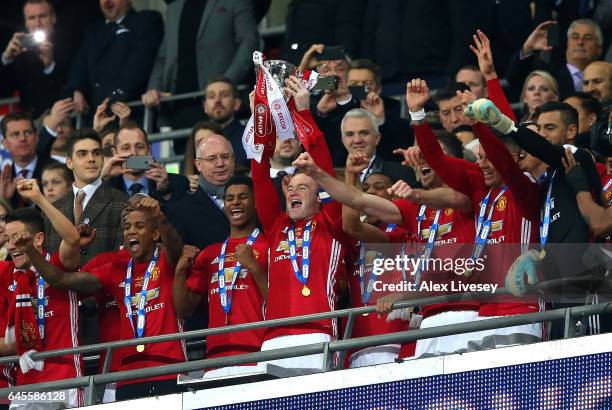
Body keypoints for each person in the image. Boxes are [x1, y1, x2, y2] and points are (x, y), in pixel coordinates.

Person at [13, 198, 187, 401]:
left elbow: (176, 247)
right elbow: (61, 280)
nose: (131, 231)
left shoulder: (169, 259)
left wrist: (161, 218)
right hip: (128, 375)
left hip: (170, 366)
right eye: (127, 227)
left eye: (139, 226)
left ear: (155, 234)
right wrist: (31, 252)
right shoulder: (115, 270)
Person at [251, 75, 349, 370]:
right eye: (291, 188)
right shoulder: (276, 225)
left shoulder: (330, 221)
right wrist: (262, 118)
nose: (293, 191)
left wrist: (304, 111)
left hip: (318, 334)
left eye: (303, 187)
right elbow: (258, 173)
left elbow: (327, 172)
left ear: (319, 197)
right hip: (272, 339)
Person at [173, 175, 268, 377]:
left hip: (258, 354)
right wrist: (180, 272)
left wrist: (253, 267)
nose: (235, 202)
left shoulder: (269, 246)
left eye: (243, 197)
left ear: (255, 202)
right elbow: (184, 309)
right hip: (215, 359)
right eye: (230, 198)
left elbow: (280, 304)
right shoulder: (209, 254)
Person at [1, 178, 85, 407]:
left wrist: (38, 198)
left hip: (64, 380)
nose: (11, 246)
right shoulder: (9, 274)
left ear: (37, 239)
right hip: (24, 385)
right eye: (7, 239)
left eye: (16, 238)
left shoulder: (59, 265)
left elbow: (73, 238)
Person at [143, 0, 259, 131]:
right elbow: (163, 57)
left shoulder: (235, 2)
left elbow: (249, 44)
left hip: (219, 106)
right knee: (185, 150)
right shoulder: (173, 8)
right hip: (179, 107)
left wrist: (225, 84)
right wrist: (154, 89)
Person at [44, 129, 127, 267]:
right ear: (69, 162)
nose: (91, 159)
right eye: (82, 154)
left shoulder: (122, 203)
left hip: (104, 286)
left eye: (96, 153)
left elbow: (121, 261)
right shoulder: (53, 211)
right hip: (62, 287)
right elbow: (50, 262)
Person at [65, 0, 163, 112]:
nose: (107, 1)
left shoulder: (146, 20)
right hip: (95, 114)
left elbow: (139, 65)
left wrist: (114, 95)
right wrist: (78, 90)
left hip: (129, 111)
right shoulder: (92, 30)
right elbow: (80, 63)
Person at [0, 0, 73, 117]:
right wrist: (6, 58)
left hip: (60, 119)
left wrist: (50, 65)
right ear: (26, 23)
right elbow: (4, 90)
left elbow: (70, 89)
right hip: (27, 120)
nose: (38, 23)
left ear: (53, 18)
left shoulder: (69, 45)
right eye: (32, 18)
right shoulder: (20, 49)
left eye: (43, 16)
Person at [505, 19, 603, 101]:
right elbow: (513, 79)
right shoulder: (549, 75)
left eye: (587, 38)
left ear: (599, 48)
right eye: (575, 37)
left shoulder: (607, 76)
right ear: (567, 43)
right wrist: (527, 49)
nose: (580, 42)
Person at [167, 133, 232, 251]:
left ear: (233, 159)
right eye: (212, 159)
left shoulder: (254, 194)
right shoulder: (182, 211)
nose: (220, 163)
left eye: (225, 156)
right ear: (198, 164)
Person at [102, 122, 189, 206]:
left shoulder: (178, 183)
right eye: (126, 148)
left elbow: (182, 219)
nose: (134, 153)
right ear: (115, 153)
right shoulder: (104, 188)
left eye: (139, 147)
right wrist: (102, 177)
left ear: (149, 151)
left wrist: (165, 192)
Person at [340, 108, 416, 185]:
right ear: (343, 141)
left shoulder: (401, 174)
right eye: (350, 134)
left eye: (364, 133)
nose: (357, 140)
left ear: (377, 138)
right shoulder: (332, 179)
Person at [0, 112, 57, 209]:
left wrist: (35, 200)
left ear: (36, 137)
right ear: (4, 143)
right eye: (15, 134)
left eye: (27, 132)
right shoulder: (3, 180)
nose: (22, 138)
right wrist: (4, 200)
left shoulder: (56, 169)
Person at [202, 77, 247, 166]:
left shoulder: (250, 138)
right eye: (211, 96)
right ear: (205, 106)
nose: (217, 100)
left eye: (224, 95)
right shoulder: (197, 139)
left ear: (236, 104)